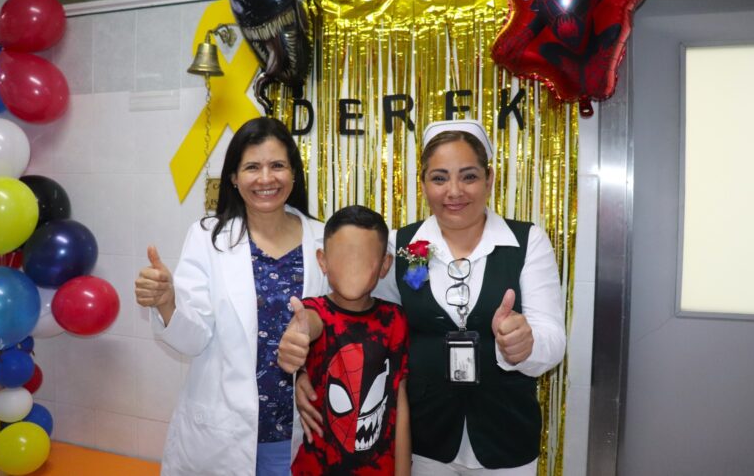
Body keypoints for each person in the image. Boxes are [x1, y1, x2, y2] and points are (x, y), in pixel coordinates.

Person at [289, 120, 566, 476]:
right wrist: (307, 369)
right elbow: (355, 319)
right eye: (439, 178)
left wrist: (525, 345)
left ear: (490, 179)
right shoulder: (398, 246)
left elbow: (553, 340)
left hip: (506, 437)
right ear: (423, 185)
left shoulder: (527, 242)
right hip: (425, 439)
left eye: (469, 176)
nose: (454, 191)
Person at [134, 116, 329, 476]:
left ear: (294, 173)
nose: (266, 178)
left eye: (277, 166)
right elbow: (193, 338)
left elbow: (341, 324)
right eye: (252, 167)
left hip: (300, 432)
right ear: (234, 178)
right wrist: (167, 301)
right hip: (222, 434)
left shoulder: (323, 238)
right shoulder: (208, 237)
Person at [278, 205, 410, 476]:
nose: (353, 268)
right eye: (343, 258)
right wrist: (296, 338)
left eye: (364, 259)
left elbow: (400, 404)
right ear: (323, 261)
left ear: (384, 265)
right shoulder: (315, 310)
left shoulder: (395, 319)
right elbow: (307, 324)